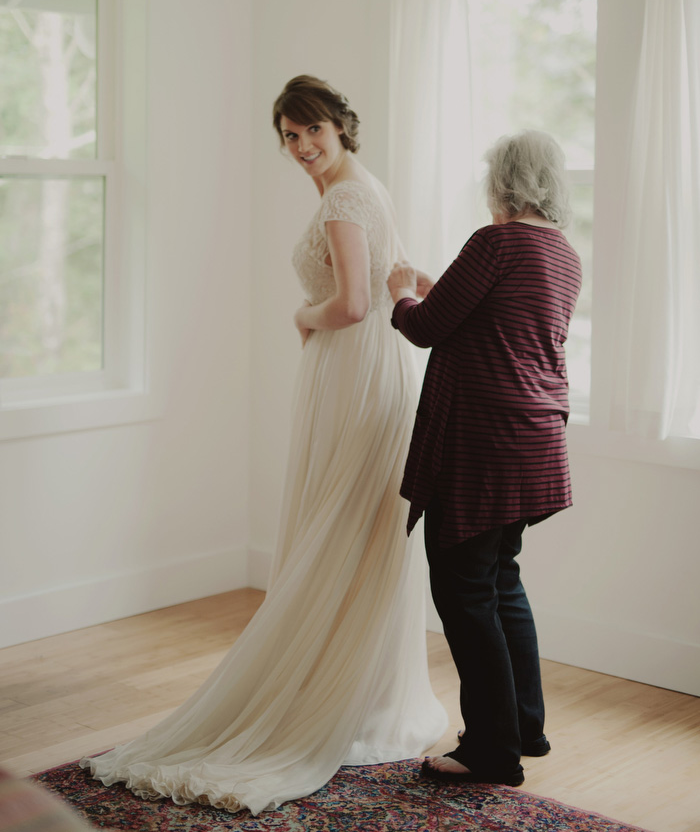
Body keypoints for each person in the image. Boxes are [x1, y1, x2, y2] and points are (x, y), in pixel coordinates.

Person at [80, 75, 446, 814]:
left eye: (312, 131)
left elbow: (348, 303)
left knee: (339, 528)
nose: (303, 147)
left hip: (356, 370)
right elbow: (394, 281)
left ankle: (325, 691)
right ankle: (355, 688)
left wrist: (303, 316)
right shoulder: (363, 186)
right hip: (373, 370)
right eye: (289, 136)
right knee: (351, 531)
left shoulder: (345, 196)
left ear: (340, 126)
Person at [387, 130, 582, 788]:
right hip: (536, 439)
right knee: (501, 581)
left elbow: (425, 328)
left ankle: (491, 752)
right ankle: (524, 726)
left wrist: (400, 293)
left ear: (503, 182)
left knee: (464, 590)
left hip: (483, 442)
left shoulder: (494, 241)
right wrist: (437, 291)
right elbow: (501, 322)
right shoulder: (564, 254)